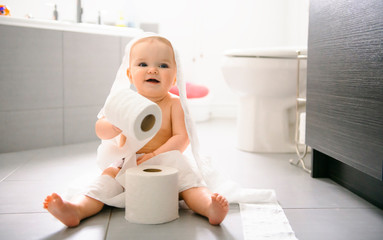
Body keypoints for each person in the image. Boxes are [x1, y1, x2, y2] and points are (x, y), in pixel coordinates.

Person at [43, 35, 229, 227]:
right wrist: (113, 125)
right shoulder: (125, 102)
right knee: (106, 180)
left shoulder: (174, 104)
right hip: (128, 160)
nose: (153, 69)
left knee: (190, 183)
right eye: (142, 64)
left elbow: (182, 137)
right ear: (130, 75)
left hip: (167, 160)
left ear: (174, 77)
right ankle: (76, 209)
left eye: (163, 65)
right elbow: (100, 128)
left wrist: (156, 154)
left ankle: (209, 207)